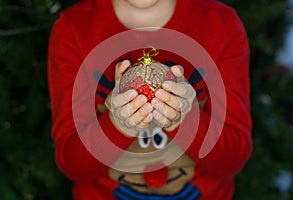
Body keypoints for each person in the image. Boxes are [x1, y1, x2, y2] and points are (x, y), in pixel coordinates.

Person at [47, 0, 252, 199]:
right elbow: (73, 165)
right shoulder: (73, 29)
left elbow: (232, 159)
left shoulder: (221, 25)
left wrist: (185, 119)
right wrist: (117, 126)